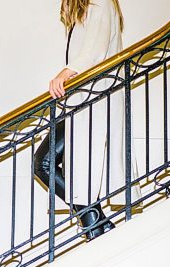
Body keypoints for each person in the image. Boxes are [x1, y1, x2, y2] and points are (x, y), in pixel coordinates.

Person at [34, 0, 140, 241]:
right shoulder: (87, 8)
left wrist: (65, 72)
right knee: (43, 163)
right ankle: (98, 225)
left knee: (44, 163)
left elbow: (95, 49)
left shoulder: (100, 2)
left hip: (94, 98)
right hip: (81, 102)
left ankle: (96, 227)